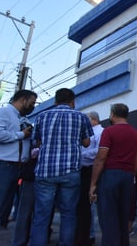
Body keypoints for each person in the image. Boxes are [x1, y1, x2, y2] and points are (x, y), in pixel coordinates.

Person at [30, 88, 94, 246]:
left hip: (45, 171)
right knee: (68, 213)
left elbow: (36, 143)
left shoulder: (42, 116)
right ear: (73, 101)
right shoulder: (81, 117)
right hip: (70, 171)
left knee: (41, 214)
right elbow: (87, 143)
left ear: (55, 101)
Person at [89, 103, 137, 246]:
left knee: (108, 218)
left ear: (112, 114)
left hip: (111, 176)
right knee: (123, 218)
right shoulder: (136, 134)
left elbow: (101, 158)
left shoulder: (109, 131)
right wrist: (132, 175)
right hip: (128, 177)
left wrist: (93, 184)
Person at [0, 90, 37, 227]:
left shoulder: (23, 119)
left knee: (4, 204)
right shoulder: (2, 113)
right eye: (32, 103)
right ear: (23, 100)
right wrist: (20, 135)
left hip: (17, 168)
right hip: (2, 166)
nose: (33, 106)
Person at [75, 111, 104, 246]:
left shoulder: (100, 132)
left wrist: (82, 154)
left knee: (89, 205)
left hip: (92, 170)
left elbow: (100, 151)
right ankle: (85, 234)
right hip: (83, 170)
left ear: (93, 120)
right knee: (83, 206)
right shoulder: (86, 132)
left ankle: (89, 235)